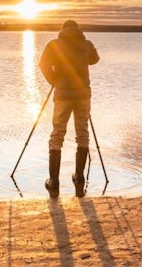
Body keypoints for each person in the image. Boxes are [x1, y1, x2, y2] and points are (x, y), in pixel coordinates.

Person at [39, 20, 100, 198]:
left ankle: (54, 180)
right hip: (82, 95)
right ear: (77, 29)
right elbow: (95, 60)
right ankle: (79, 177)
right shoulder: (85, 44)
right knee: (82, 133)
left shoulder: (54, 45)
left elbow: (43, 65)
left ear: (62, 30)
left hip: (63, 95)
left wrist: (54, 81)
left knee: (57, 134)